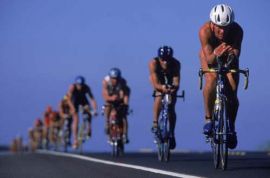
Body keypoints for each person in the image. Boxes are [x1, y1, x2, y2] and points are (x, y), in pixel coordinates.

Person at [199, 4, 243, 149]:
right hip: (209, 55)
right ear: (212, 24)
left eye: (226, 27)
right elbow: (210, 60)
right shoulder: (204, 31)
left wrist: (231, 54)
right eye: (218, 26)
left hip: (228, 57)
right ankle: (208, 119)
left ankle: (231, 126)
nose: (222, 31)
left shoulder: (237, 30)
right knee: (211, 80)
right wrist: (216, 53)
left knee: (233, 90)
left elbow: (236, 56)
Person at [149, 46, 181, 149]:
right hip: (158, 81)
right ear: (159, 58)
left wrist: (173, 89)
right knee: (159, 95)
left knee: (171, 107)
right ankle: (155, 123)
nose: (165, 62)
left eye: (168, 59)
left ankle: (171, 133)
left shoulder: (176, 63)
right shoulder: (153, 63)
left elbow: (176, 81)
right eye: (163, 59)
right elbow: (155, 83)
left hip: (170, 81)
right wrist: (162, 88)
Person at [68, 76, 98, 149]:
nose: (80, 87)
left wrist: (94, 110)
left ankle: (89, 127)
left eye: (81, 85)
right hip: (74, 102)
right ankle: (75, 140)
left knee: (89, 112)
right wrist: (72, 108)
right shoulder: (72, 87)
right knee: (76, 119)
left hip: (83, 101)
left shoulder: (86, 87)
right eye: (78, 85)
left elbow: (92, 99)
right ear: (76, 84)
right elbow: (68, 99)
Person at [102, 68, 130, 143]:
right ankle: (107, 123)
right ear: (110, 77)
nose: (115, 80)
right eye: (113, 78)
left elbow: (125, 95)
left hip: (120, 99)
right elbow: (105, 95)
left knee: (124, 116)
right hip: (110, 98)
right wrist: (111, 98)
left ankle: (125, 135)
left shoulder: (122, 82)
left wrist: (125, 104)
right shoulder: (105, 82)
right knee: (108, 106)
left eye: (116, 78)